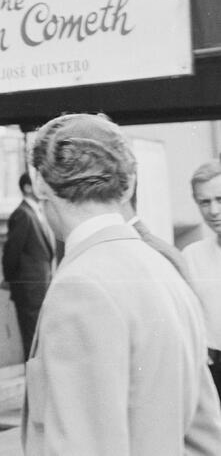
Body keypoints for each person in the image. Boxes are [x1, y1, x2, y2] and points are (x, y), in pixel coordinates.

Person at [22, 113, 221, 455]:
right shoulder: (164, 265)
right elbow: (206, 436)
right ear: (127, 184)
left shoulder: (79, 286)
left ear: (40, 183)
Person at [1, 172, 54, 357]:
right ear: (27, 188)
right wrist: (12, 281)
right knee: (32, 342)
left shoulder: (35, 212)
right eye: (38, 183)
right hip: (29, 292)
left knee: (38, 341)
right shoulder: (22, 214)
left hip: (38, 289)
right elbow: (11, 253)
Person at [183, 159, 221, 401]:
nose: (213, 211)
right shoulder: (192, 256)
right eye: (204, 202)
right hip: (214, 371)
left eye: (220, 199)